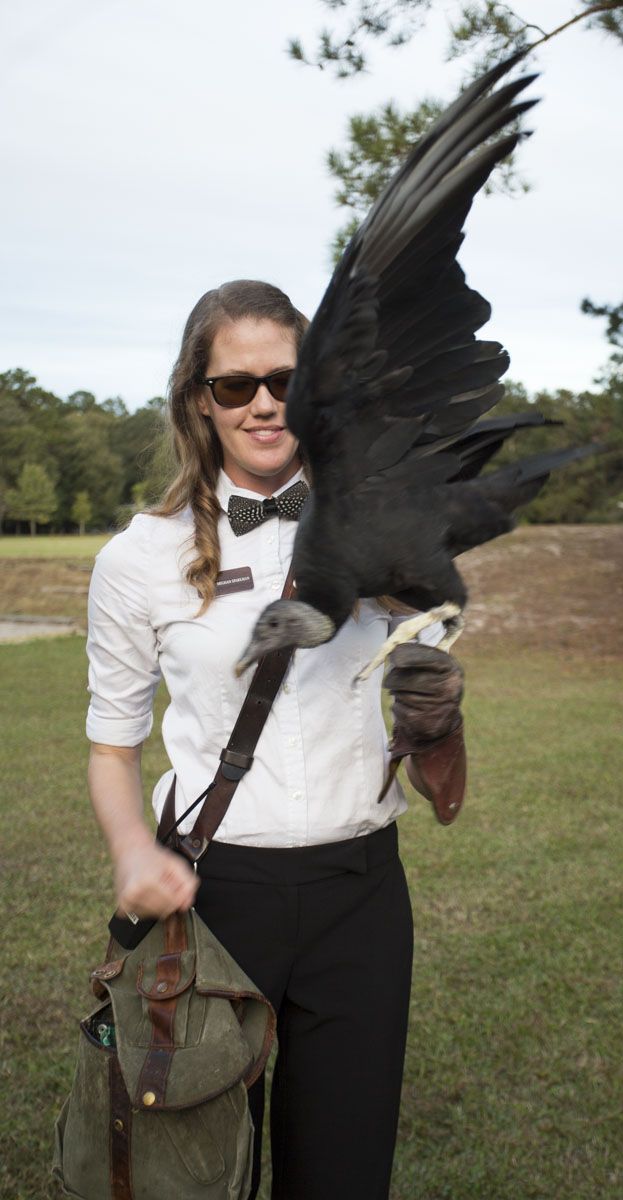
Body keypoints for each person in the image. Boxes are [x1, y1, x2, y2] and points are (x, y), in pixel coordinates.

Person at [85, 278, 467, 1200]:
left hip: (361, 896)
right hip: (216, 899)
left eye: (286, 381)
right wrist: (133, 848)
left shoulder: (387, 541)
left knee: (342, 1173)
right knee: (196, 1176)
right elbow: (111, 743)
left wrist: (438, 721)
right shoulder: (139, 557)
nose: (264, 403)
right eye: (234, 385)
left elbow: (445, 794)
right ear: (198, 400)